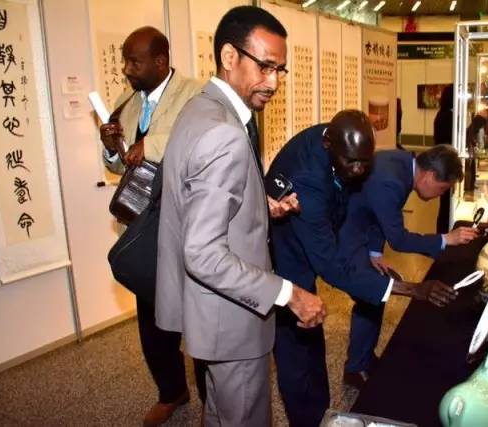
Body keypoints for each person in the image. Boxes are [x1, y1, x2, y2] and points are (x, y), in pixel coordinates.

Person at [154, 6, 325, 427]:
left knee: (221, 415)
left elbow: (197, 198)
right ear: (229, 56)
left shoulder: (199, 110)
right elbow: (202, 253)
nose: (274, 82)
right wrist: (288, 293)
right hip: (232, 320)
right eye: (265, 66)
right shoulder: (225, 132)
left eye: (280, 70)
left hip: (208, 313)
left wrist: (261, 205)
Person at [268, 110, 458, 427]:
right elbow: (332, 267)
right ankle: (307, 421)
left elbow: (359, 203)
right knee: (295, 343)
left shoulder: (344, 148)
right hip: (286, 253)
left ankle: (322, 413)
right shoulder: (308, 180)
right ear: (329, 146)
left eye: (364, 162)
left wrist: (372, 252)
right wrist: (412, 289)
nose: (358, 170)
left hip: (326, 226)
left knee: (313, 337)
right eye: (351, 163)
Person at [98, 26, 205, 426]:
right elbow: (119, 166)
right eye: (124, 61)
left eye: (135, 61)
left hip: (186, 225)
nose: (126, 69)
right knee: (153, 320)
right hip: (144, 228)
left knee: (199, 318)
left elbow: (199, 143)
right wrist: (111, 149)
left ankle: (213, 400)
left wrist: (152, 144)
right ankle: (172, 391)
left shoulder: (196, 94)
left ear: (160, 62)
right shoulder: (125, 101)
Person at [337, 145, 478, 387]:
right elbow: (399, 239)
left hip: (360, 223)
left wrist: (374, 252)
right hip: (342, 231)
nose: (440, 195)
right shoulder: (391, 181)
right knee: (370, 295)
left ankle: (364, 358)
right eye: (443, 189)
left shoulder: (403, 164)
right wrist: (446, 239)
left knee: (375, 292)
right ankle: (355, 368)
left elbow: (377, 213)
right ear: (430, 176)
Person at [433, 84, 454, 233]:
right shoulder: (447, 117)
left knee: (445, 203)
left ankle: (443, 233)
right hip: (446, 164)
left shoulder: (442, 114)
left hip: (444, 163)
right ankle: (444, 235)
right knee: (446, 204)